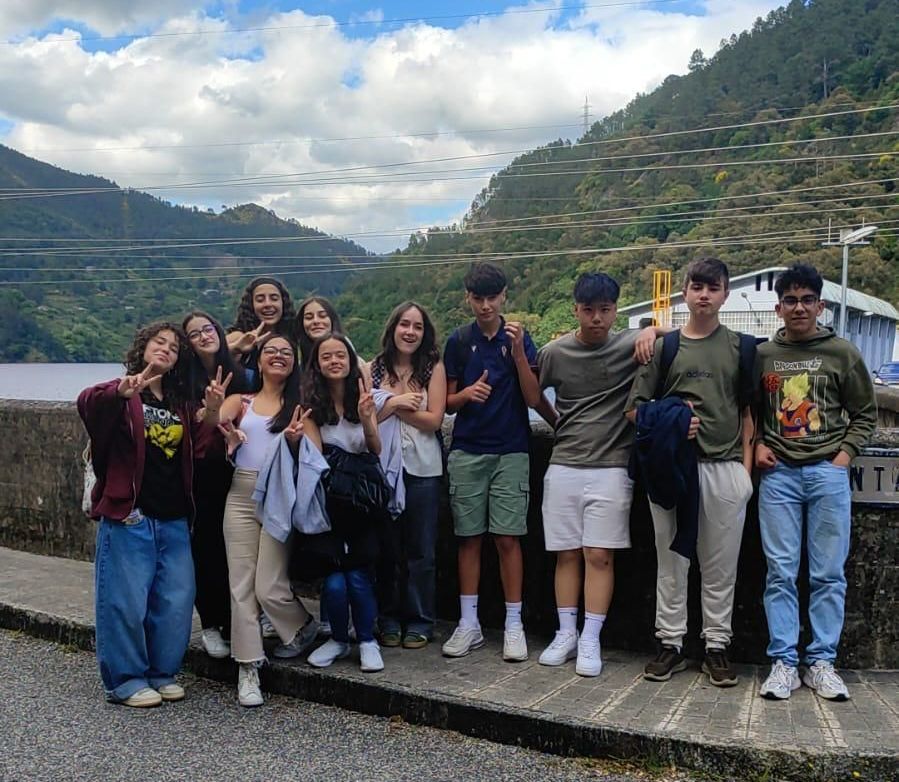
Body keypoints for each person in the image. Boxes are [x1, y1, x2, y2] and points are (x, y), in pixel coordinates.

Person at [77, 321, 224, 707]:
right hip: (131, 515)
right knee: (124, 602)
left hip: (174, 517)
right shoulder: (122, 391)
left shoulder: (179, 403)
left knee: (175, 601)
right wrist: (120, 391)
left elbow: (201, 448)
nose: (166, 350)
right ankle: (125, 680)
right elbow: (88, 404)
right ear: (142, 347)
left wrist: (212, 410)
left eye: (174, 348)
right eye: (159, 342)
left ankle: (162, 672)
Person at [625, 257, 755, 688]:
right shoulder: (665, 349)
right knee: (671, 561)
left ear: (725, 294)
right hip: (672, 469)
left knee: (721, 565)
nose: (704, 295)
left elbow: (749, 413)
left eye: (713, 288)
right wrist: (673, 419)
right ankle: (670, 642)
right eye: (697, 287)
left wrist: (745, 475)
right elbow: (634, 411)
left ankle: (717, 645)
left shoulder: (742, 348)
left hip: (724, 468)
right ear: (684, 293)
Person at [755, 264, 876, 701]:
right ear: (779, 307)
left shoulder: (842, 353)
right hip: (778, 476)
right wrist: (757, 444)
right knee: (780, 573)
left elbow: (865, 414)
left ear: (820, 305)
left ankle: (822, 662)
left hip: (828, 473)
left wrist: (842, 460)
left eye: (807, 300)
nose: (799, 307)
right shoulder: (764, 355)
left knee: (828, 574)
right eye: (790, 300)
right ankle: (784, 663)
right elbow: (749, 409)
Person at [536, 273, 658, 676]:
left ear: (615, 310)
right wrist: (556, 422)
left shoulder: (629, 344)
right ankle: (566, 633)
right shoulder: (555, 352)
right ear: (576, 310)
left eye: (605, 310)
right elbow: (533, 394)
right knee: (566, 553)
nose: (596, 318)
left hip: (611, 465)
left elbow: (684, 333)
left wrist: (653, 329)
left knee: (600, 555)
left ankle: (591, 637)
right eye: (588, 310)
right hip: (564, 463)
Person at [441, 262, 541, 661]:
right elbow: (446, 403)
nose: (485, 306)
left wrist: (518, 353)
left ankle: (514, 624)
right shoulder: (459, 340)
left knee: (507, 538)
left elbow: (533, 397)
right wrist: (466, 395)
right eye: (478, 298)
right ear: (468, 298)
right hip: (467, 448)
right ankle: (469, 623)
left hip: (511, 450)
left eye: (492, 298)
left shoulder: (519, 338)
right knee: (468, 538)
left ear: (504, 297)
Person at [218, 332, 318, 708]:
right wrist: (219, 421)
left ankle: (302, 626)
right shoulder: (240, 401)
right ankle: (248, 668)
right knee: (241, 585)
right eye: (271, 351)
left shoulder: (299, 407)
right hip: (241, 495)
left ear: (294, 363)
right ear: (258, 360)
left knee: (268, 586)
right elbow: (213, 422)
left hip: (279, 494)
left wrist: (294, 442)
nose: (278, 356)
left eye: (286, 352)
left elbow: (317, 455)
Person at [299, 333, 386, 672]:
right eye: (327, 356)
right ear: (317, 364)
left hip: (362, 503)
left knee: (360, 576)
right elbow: (316, 457)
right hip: (330, 503)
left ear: (351, 361)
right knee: (334, 581)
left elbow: (375, 448)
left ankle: (366, 640)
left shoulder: (363, 399)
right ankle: (338, 638)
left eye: (340, 355)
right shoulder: (311, 407)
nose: (334, 361)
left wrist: (366, 418)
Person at [370, 302, 447, 649]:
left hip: (423, 468)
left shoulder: (433, 368)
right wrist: (399, 403)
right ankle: (387, 618)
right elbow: (365, 417)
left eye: (417, 326)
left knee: (421, 550)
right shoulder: (373, 368)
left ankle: (420, 620)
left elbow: (433, 420)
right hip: (383, 468)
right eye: (404, 324)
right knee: (386, 549)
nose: (410, 332)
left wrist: (392, 405)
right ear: (393, 328)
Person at [182, 311, 249, 660]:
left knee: (235, 549)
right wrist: (212, 409)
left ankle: (234, 621)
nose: (204, 336)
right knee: (205, 548)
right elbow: (203, 422)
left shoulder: (239, 374)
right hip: (198, 473)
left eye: (208, 329)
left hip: (234, 469)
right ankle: (210, 623)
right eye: (194, 334)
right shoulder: (183, 379)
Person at [227, 276, 296, 382]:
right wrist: (235, 348)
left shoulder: (293, 338)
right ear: (251, 305)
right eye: (260, 300)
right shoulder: (238, 337)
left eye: (274, 299)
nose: (268, 304)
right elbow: (208, 358)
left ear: (283, 303)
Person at [296, 296, 343, 367]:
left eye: (322, 316)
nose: (316, 321)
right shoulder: (297, 368)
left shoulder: (353, 363)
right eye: (309, 318)